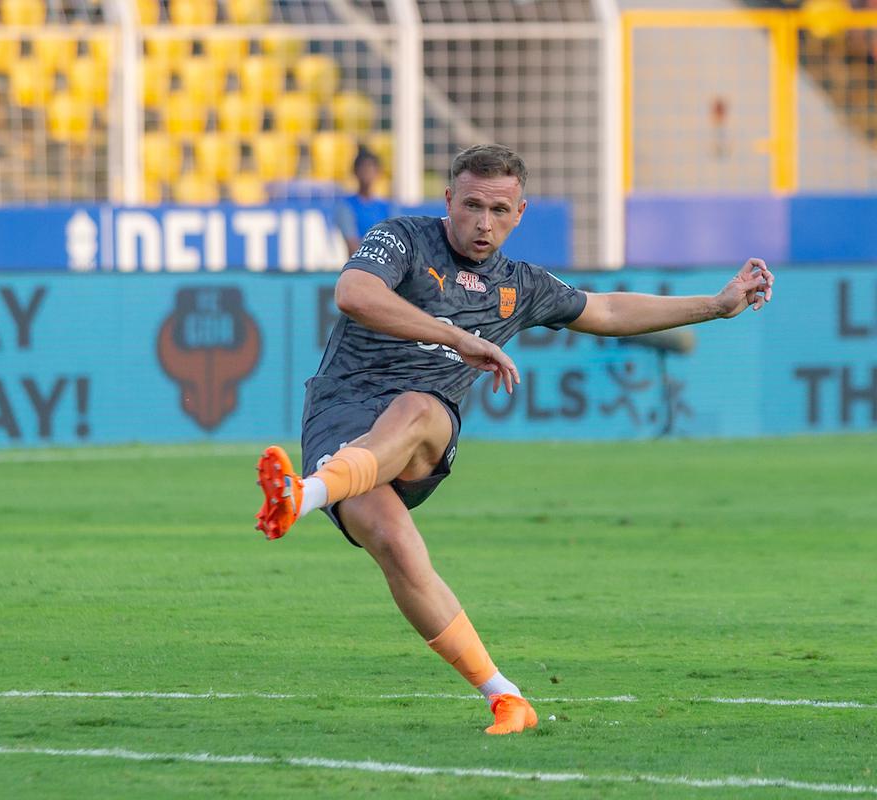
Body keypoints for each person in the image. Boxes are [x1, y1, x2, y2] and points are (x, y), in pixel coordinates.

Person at [253, 143, 774, 735]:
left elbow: (603, 309)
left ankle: (304, 495)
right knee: (396, 546)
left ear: (520, 213)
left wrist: (715, 304)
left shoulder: (519, 285)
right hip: (342, 417)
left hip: (423, 431)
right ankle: (506, 697)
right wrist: (455, 337)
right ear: (448, 200)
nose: (483, 222)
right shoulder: (401, 238)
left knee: (418, 406)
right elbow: (354, 293)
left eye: (499, 210)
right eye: (471, 205)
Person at [333, 147, 394, 254]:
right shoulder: (346, 206)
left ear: (378, 172)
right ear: (355, 172)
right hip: (359, 267)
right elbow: (352, 247)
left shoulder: (386, 207)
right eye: (364, 168)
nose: (367, 173)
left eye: (371, 169)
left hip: (384, 267)